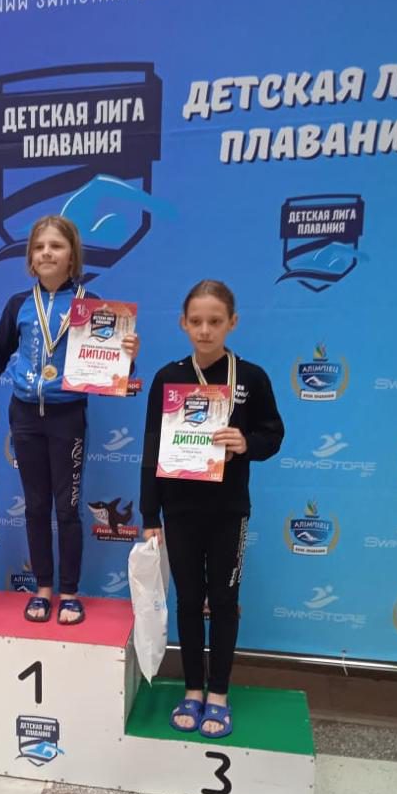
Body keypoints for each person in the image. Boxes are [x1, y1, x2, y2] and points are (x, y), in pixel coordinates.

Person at [0, 215, 139, 626]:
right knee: (35, 506)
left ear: (72, 256)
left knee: (67, 509)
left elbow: (114, 369)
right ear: (31, 257)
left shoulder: (92, 306)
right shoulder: (18, 304)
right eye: (39, 246)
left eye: (56, 246)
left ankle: (69, 593)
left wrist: (128, 354)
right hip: (25, 416)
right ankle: (42, 588)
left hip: (67, 418)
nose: (47, 252)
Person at [139, 280, 284, 737]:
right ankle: (192, 690)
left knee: (223, 601)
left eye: (215, 321)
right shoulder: (168, 377)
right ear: (183, 323)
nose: (205, 330)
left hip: (228, 511)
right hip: (179, 510)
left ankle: (218, 693)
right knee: (187, 599)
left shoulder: (251, 378)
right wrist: (149, 515)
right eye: (196, 321)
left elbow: (274, 434)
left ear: (232, 323)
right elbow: (151, 448)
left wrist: (247, 442)